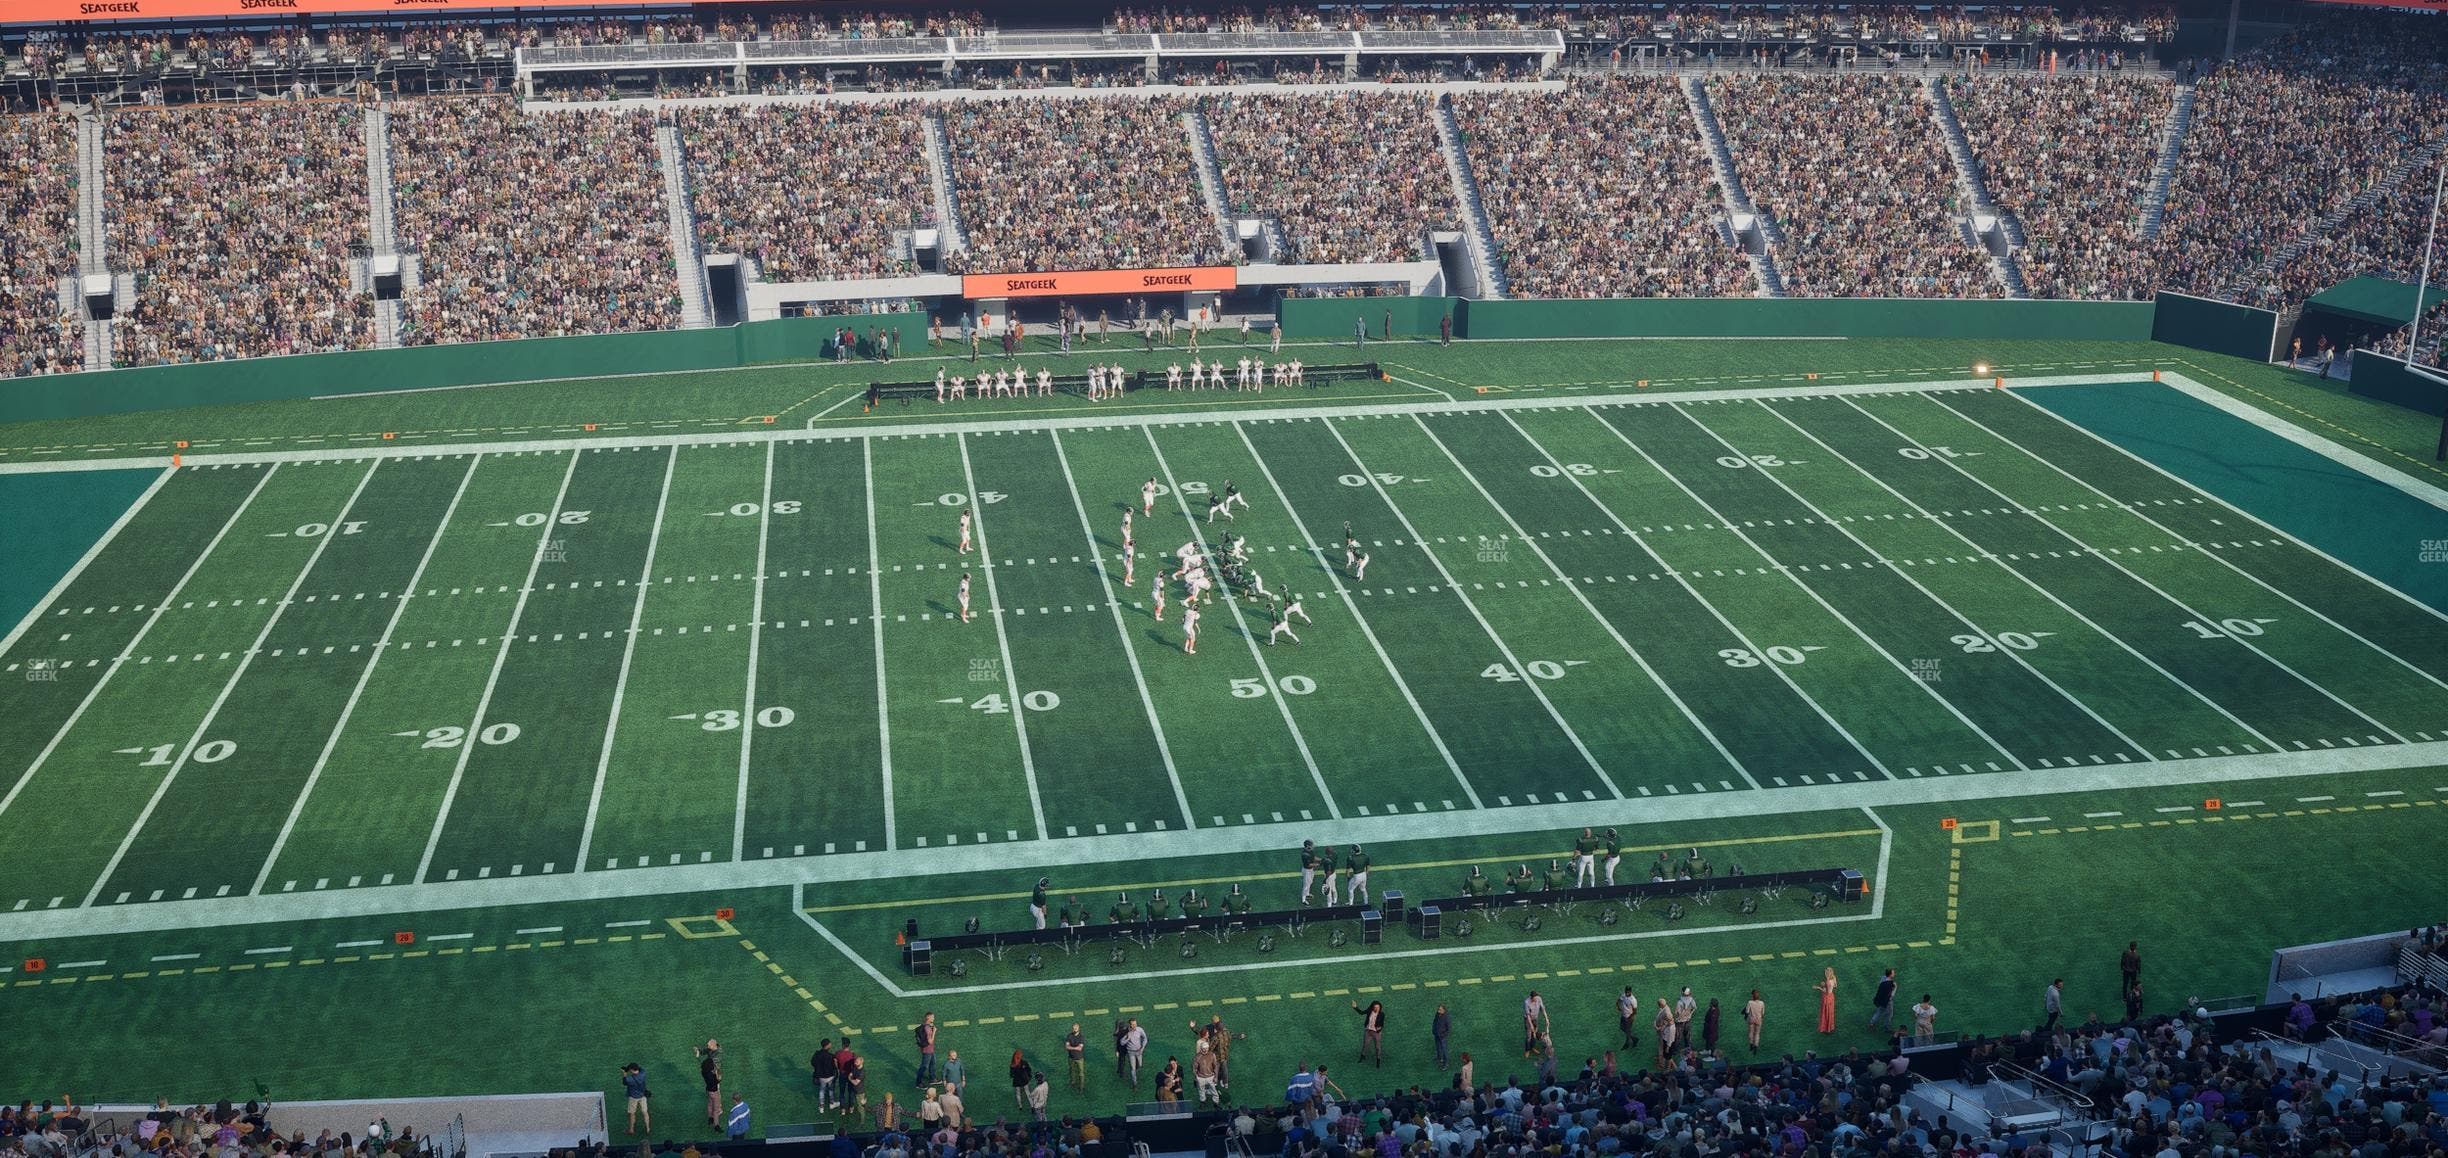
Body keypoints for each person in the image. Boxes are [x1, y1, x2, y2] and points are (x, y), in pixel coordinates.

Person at [696, 1040, 723, 1129]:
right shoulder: (713, 1076)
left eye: (708, 1045)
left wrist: (698, 1052)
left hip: (708, 1089)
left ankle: (710, 1118)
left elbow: (704, 1065)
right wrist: (718, 1075)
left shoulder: (704, 1073)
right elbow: (718, 1079)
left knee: (710, 1103)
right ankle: (716, 1125)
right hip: (714, 1091)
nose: (707, 1047)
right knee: (716, 1109)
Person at [621, 1063, 651, 1136]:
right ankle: (648, 1128)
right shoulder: (643, 1073)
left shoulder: (630, 1079)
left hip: (633, 1098)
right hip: (643, 1096)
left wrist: (624, 1073)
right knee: (645, 1112)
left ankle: (631, 1130)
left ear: (631, 1070)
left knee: (632, 1113)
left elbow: (624, 1082)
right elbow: (640, 1068)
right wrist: (633, 1067)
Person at [1352, 1000, 1385, 1066]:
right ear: (1373, 1007)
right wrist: (1355, 1007)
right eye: (1375, 1007)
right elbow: (1361, 1012)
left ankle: (1378, 1060)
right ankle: (1362, 1057)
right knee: (1365, 1045)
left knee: (1377, 1047)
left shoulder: (1382, 1014)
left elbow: (1382, 1023)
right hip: (1368, 1031)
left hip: (1376, 1032)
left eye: (1378, 1007)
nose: (1376, 1009)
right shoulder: (1370, 1011)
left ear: (1380, 1007)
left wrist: (1380, 1028)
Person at [810, 1043, 837, 1111]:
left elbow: (812, 1062)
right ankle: (832, 1103)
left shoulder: (817, 1054)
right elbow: (835, 1066)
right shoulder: (831, 1056)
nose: (831, 1045)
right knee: (831, 1090)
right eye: (830, 1044)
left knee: (822, 1091)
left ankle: (821, 1107)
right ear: (827, 1045)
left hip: (821, 1076)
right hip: (830, 1076)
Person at [1120, 1020, 1148, 1088]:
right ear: (1130, 1025)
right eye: (1133, 1024)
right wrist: (1128, 1038)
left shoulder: (1139, 1030)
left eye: (1135, 1024)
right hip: (1131, 1052)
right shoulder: (1126, 1032)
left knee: (1140, 1065)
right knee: (1133, 1068)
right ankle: (1134, 1083)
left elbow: (1145, 1038)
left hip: (1139, 1051)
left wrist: (1142, 1048)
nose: (1135, 1026)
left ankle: (1135, 1068)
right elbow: (1122, 1042)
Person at [1522, 990, 1549, 1056]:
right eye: (1535, 997)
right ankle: (1527, 1050)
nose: (1537, 998)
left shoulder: (1539, 999)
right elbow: (1528, 1015)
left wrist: (1546, 1018)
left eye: (1537, 997)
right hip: (1528, 1020)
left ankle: (1533, 1047)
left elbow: (1543, 1009)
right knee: (1529, 1035)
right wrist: (1531, 1025)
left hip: (1535, 1019)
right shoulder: (1527, 1003)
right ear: (1532, 997)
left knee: (1534, 1033)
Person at [914, 1013, 939, 1086]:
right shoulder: (927, 1028)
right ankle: (918, 1083)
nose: (934, 1018)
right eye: (932, 1017)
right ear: (928, 1018)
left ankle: (932, 1079)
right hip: (927, 1050)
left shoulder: (926, 1026)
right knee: (924, 1067)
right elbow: (930, 1041)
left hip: (930, 1050)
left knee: (933, 1063)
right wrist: (934, 1031)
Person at [1652, 997, 1677, 1069]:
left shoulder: (1671, 1027)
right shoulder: (1666, 1010)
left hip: (1665, 1040)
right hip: (1664, 1037)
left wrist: (1658, 1028)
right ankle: (1668, 1064)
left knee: (1666, 1054)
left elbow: (1670, 1038)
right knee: (1666, 1053)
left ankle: (1663, 1065)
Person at [1063, 1024, 1087, 1091]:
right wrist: (1075, 1047)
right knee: (1071, 1070)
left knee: (1081, 1073)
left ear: (1078, 1028)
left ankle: (1081, 1087)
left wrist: (1071, 1047)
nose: (1074, 1029)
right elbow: (1066, 1047)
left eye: (1076, 1028)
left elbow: (1080, 1048)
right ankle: (1073, 1082)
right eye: (1073, 1028)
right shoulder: (1069, 1036)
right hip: (1071, 1058)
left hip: (1079, 1058)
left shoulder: (1081, 1037)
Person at [1814, 968, 1838, 1034]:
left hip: (1826, 998)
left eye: (1826, 972)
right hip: (1831, 997)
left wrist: (1818, 987)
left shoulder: (1827, 981)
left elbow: (1826, 992)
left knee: (1825, 1013)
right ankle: (1830, 1027)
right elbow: (1835, 986)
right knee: (1830, 1012)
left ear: (1827, 974)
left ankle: (1826, 1028)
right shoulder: (1834, 977)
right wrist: (1826, 985)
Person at [1618, 986, 1640, 1050]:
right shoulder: (1624, 995)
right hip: (1623, 1015)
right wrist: (1617, 1005)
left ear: (1630, 991)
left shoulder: (1633, 1000)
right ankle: (1634, 1039)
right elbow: (1619, 999)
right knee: (1622, 1028)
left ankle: (1627, 1043)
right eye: (1626, 991)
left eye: (1628, 992)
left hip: (1629, 1018)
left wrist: (1629, 1018)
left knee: (1628, 1030)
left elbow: (1635, 1012)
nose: (1626, 993)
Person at [1431, 1004, 1451, 1068]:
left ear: (1444, 1010)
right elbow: (1435, 1021)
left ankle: (1446, 1063)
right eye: (1438, 1009)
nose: (1438, 1010)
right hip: (1436, 1035)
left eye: (1440, 1009)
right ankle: (1439, 1057)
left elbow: (1448, 1029)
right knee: (1438, 1047)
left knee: (1444, 1050)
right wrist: (1433, 1030)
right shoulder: (1437, 1014)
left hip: (1442, 1037)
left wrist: (1443, 1035)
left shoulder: (1446, 1018)